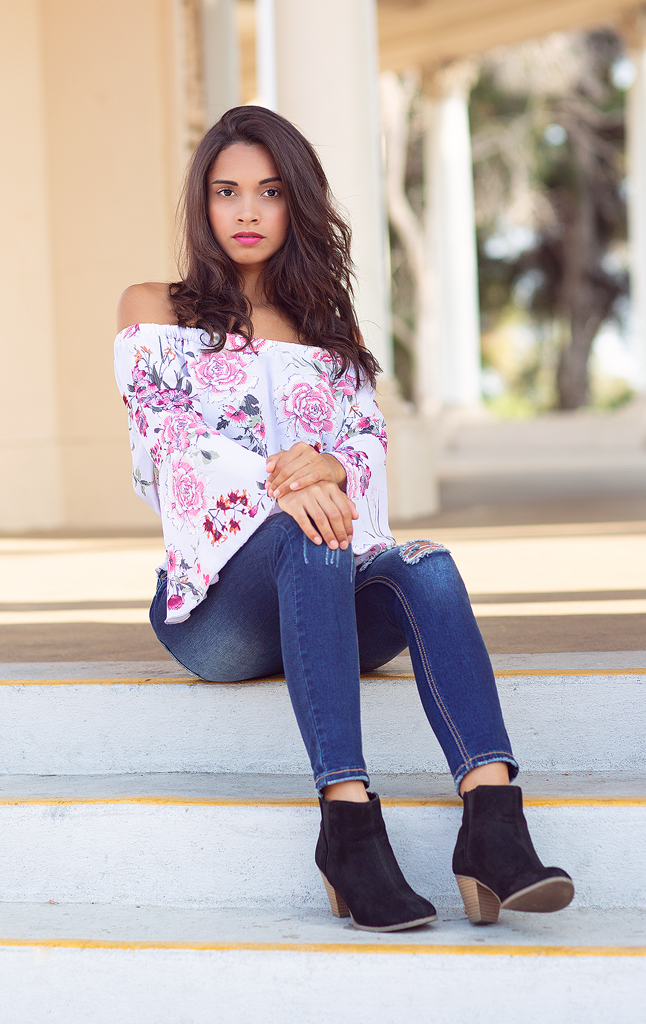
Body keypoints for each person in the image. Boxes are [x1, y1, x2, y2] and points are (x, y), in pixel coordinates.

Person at [114, 105, 573, 932]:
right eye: (226, 192)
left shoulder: (333, 331)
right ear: (202, 203)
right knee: (306, 535)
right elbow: (168, 450)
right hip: (217, 613)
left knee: (425, 563)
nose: (246, 212)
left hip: (326, 583)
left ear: (297, 205)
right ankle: (349, 828)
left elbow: (364, 452)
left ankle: (493, 825)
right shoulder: (155, 309)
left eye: (269, 191)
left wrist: (329, 468)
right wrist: (284, 481)